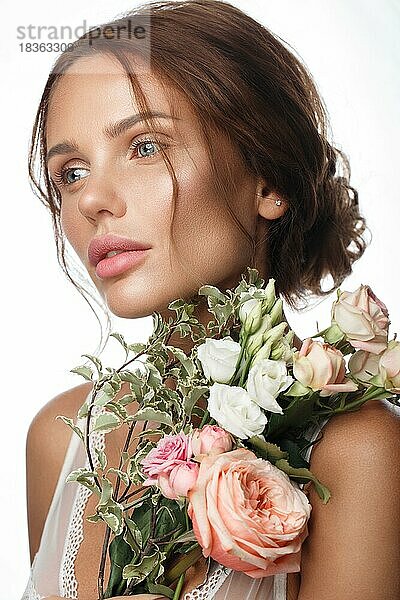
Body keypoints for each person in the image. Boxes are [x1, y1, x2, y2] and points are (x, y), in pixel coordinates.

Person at [23, 1, 400, 599]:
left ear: (268, 180)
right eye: (69, 172)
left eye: (145, 146)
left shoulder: (356, 451)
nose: (91, 198)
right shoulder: (59, 437)